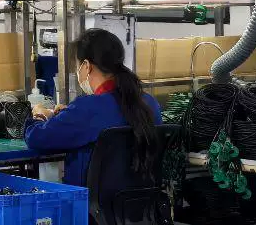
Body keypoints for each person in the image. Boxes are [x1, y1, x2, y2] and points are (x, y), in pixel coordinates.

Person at [21, 27, 161, 188]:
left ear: (87, 66)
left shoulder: (87, 108)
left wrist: (40, 115)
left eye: (77, 66)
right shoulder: (150, 103)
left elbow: (36, 138)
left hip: (87, 201)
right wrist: (67, 115)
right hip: (142, 200)